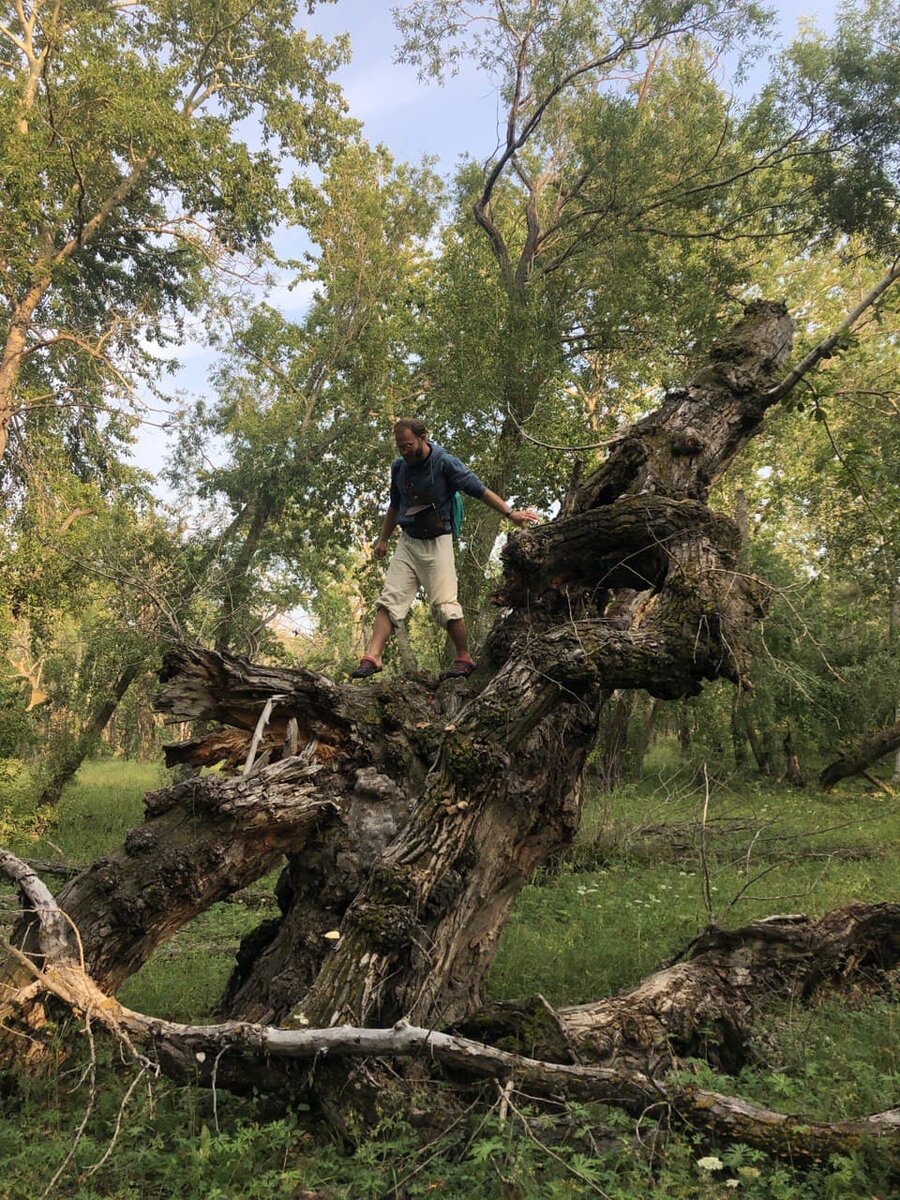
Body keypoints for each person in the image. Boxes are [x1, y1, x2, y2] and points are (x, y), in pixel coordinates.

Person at [351, 418, 539, 679]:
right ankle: (373, 656)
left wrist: (510, 513)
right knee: (390, 598)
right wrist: (383, 539)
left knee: (444, 604)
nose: (404, 451)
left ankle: (463, 657)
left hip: (438, 541)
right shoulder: (399, 468)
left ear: (423, 438)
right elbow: (394, 506)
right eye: (400, 447)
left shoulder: (444, 463)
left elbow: (479, 489)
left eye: (408, 445)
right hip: (408, 541)